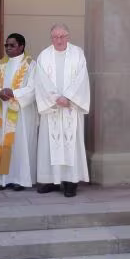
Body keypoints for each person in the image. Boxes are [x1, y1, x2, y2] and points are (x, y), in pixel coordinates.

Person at [35, 24, 90, 197]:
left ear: (68, 36)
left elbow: (82, 78)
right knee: (50, 145)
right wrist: (55, 98)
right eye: (55, 37)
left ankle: (70, 182)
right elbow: (40, 81)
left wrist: (69, 97)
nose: (59, 40)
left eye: (62, 36)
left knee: (70, 145)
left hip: (70, 107)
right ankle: (51, 180)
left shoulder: (77, 53)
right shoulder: (44, 55)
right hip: (52, 107)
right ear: (51, 38)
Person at [0, 33, 38, 191]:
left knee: (20, 144)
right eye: (6, 45)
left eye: (12, 45)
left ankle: (20, 179)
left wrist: (14, 93)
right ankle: (1, 179)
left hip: (21, 112)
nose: (8, 48)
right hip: (3, 110)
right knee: (2, 143)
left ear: (21, 47)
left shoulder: (31, 64)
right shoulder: (0, 64)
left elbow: (33, 87)